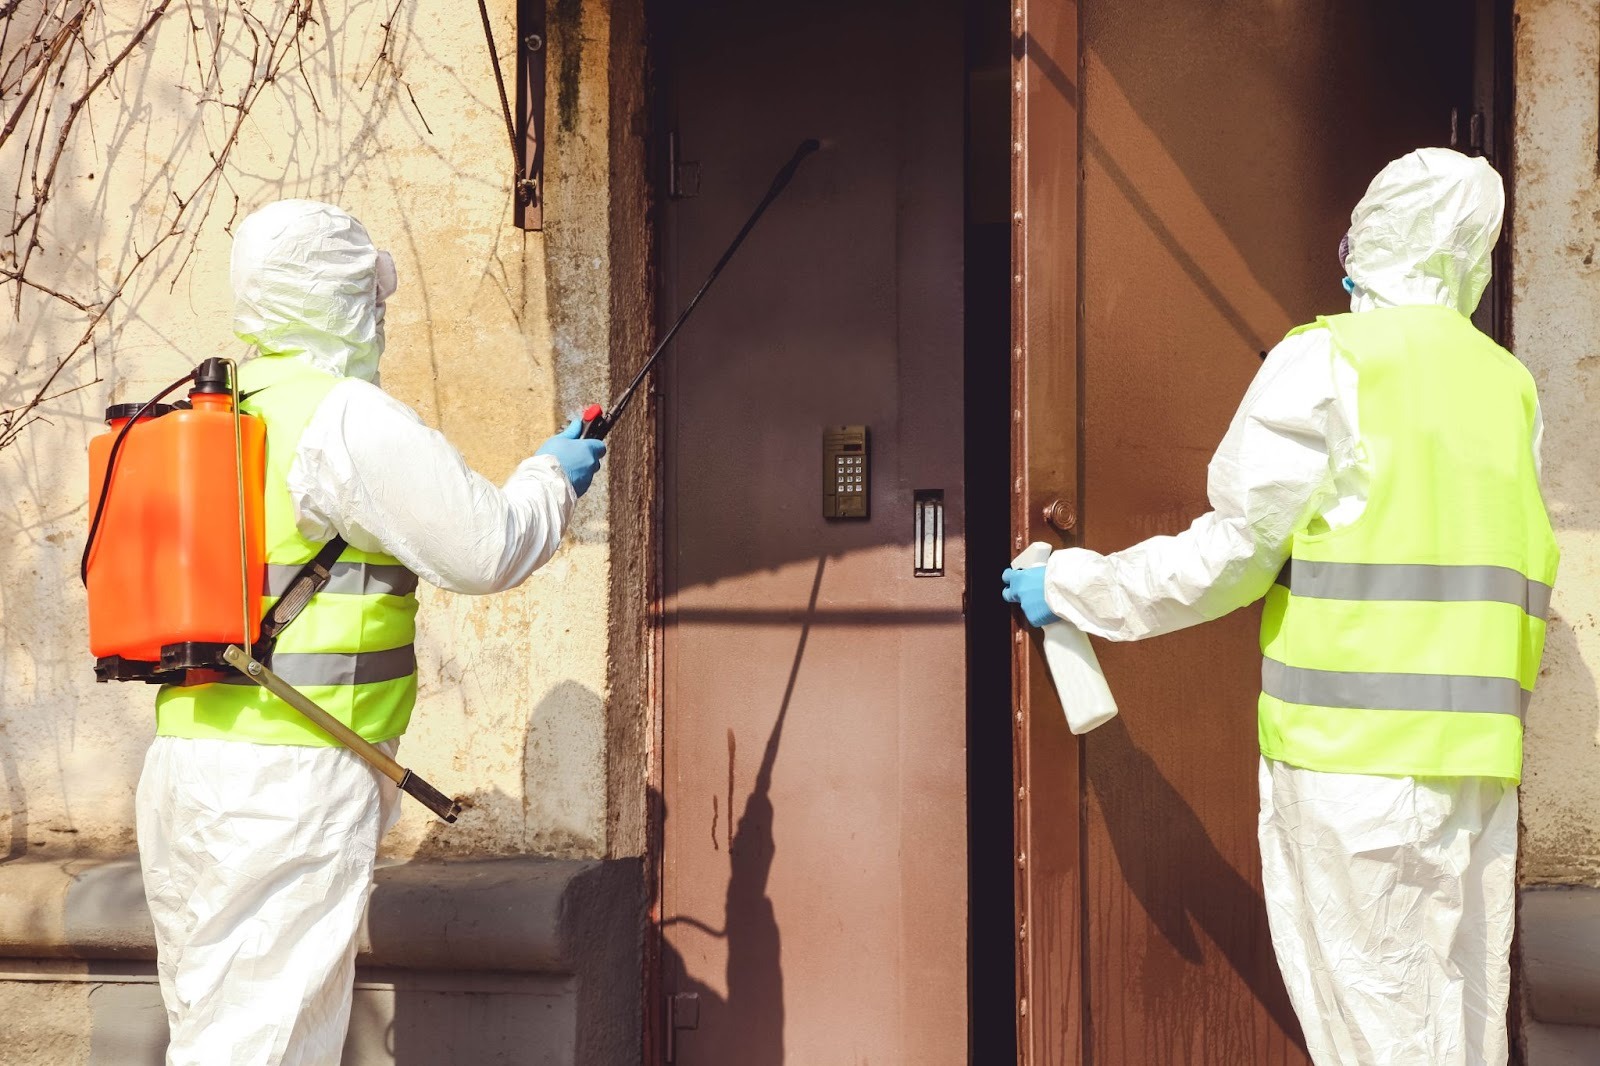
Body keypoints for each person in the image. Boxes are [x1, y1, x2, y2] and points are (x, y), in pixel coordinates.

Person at [1002, 148, 1556, 1066]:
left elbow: (1230, 556)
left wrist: (1071, 585)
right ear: (1472, 254)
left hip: (1355, 769)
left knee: (1377, 1029)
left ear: (1370, 238)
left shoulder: (1329, 363)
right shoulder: (1510, 386)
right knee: (1454, 1020)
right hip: (1476, 769)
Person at [134, 199, 606, 1065]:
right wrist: (553, 476)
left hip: (187, 768)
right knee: (269, 1042)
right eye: (370, 290)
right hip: (293, 774)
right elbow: (487, 548)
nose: (382, 311)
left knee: (215, 1027)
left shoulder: (213, 410)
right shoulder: (343, 417)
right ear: (338, 297)